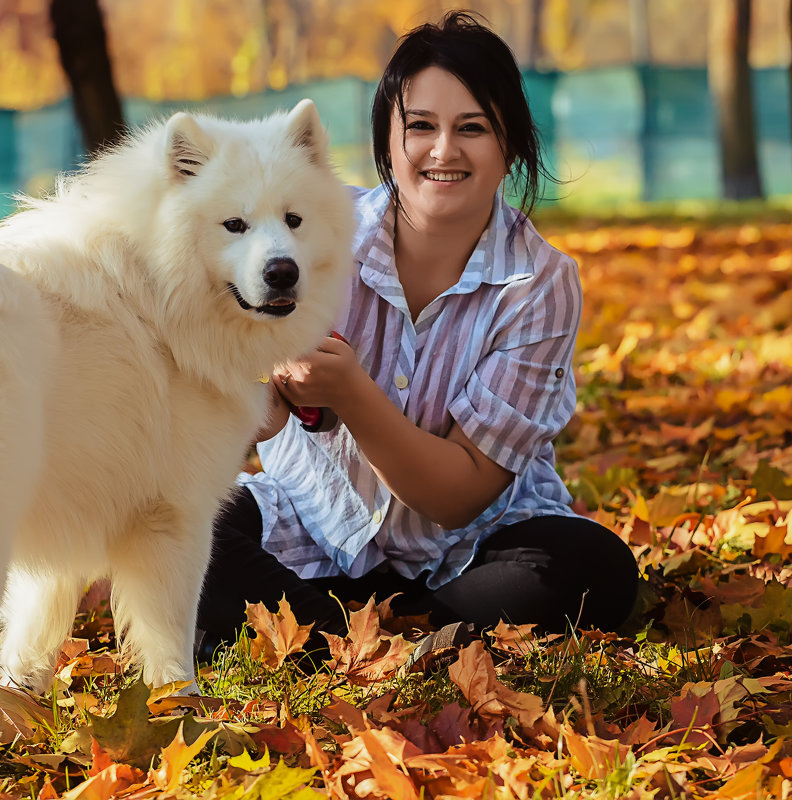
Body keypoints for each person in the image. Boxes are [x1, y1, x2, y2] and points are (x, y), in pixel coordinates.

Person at [195, 11, 640, 657]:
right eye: (421, 127)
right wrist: (258, 405)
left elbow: (457, 497)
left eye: (472, 128)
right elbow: (238, 407)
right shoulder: (306, 235)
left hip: (476, 544)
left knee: (593, 567)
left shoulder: (540, 283)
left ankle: (335, 634)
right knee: (183, 529)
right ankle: (386, 640)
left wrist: (351, 393)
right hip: (312, 524)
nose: (443, 151)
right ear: (388, 141)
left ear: (508, 142)